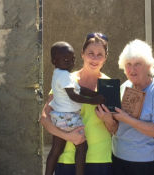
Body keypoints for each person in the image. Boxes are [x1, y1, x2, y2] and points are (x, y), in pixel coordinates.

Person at [41, 33, 114, 175]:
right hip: (67, 159)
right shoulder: (66, 79)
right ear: (82, 54)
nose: (94, 58)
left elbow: (115, 129)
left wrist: (109, 120)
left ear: (105, 58)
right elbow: (44, 118)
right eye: (90, 53)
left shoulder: (110, 85)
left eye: (100, 54)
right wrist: (69, 137)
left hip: (100, 159)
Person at [98, 39, 154, 175]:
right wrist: (107, 119)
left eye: (138, 64)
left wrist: (127, 119)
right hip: (118, 158)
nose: (132, 69)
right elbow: (114, 129)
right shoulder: (123, 88)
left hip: (144, 163)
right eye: (128, 64)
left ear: (149, 66)